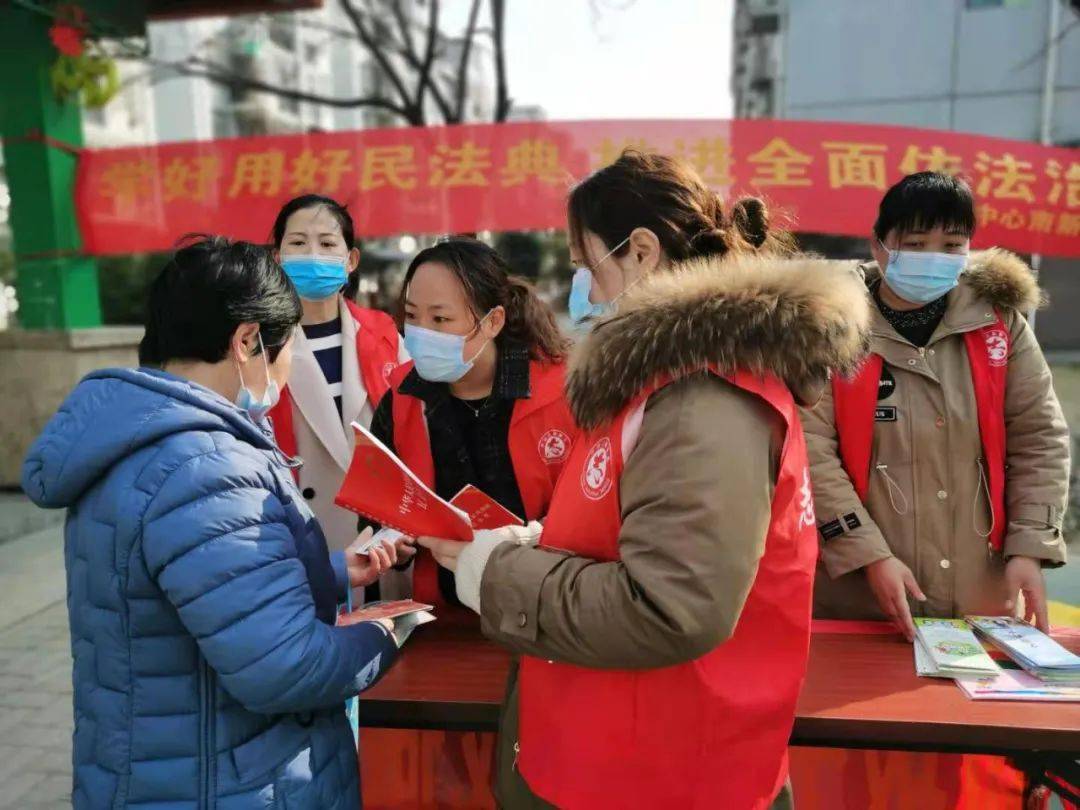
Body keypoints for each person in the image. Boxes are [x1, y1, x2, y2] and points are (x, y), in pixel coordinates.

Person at [419, 151, 871, 809]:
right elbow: (641, 527)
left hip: (659, 771)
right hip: (623, 750)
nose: (581, 285)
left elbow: (670, 605)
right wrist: (543, 540)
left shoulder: (700, 398)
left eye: (584, 262)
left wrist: (498, 573)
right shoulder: (657, 383)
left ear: (639, 252)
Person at [21, 237, 403, 809]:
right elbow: (283, 667)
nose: (289, 367)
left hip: (160, 771)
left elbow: (195, 600)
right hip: (227, 786)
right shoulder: (205, 468)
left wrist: (328, 574)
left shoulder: (134, 440)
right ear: (247, 340)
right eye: (287, 348)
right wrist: (385, 632)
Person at [794, 171, 1070, 808]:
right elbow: (811, 453)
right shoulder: (831, 328)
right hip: (860, 603)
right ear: (881, 245)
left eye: (954, 243)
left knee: (970, 777)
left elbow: (1039, 437)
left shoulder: (1000, 325)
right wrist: (868, 556)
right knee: (855, 772)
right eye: (918, 242)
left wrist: (1029, 546)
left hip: (979, 594)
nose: (939, 259)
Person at [369, 238, 576, 615]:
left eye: (441, 319)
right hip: (443, 620)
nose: (421, 332)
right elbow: (374, 515)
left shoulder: (562, 394)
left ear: (492, 321)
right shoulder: (401, 400)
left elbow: (591, 515)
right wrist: (391, 542)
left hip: (546, 608)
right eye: (412, 316)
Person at [267, 194, 410, 560]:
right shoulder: (259, 344)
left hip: (386, 538)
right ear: (277, 258)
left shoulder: (383, 333)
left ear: (351, 260)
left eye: (328, 243)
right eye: (298, 243)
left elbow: (414, 431)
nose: (313, 254)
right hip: (304, 536)